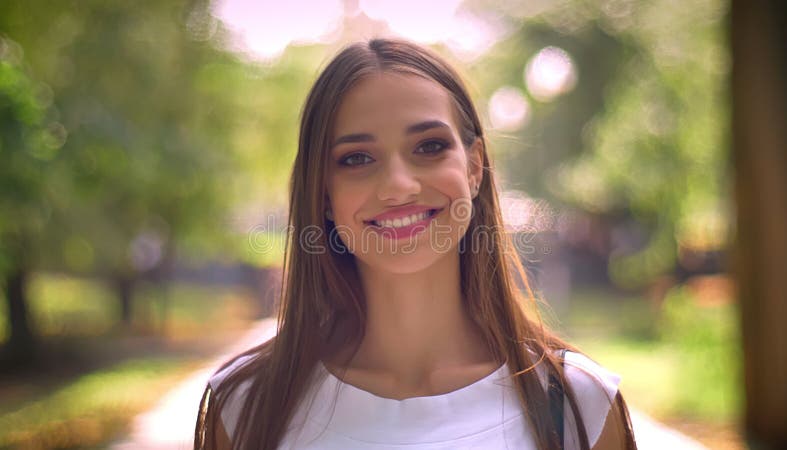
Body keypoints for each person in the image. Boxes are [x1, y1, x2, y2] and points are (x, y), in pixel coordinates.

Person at [194, 38, 637, 450]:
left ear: (474, 167)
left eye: (428, 147)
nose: (398, 186)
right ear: (323, 193)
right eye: (357, 158)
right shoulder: (247, 405)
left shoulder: (577, 404)